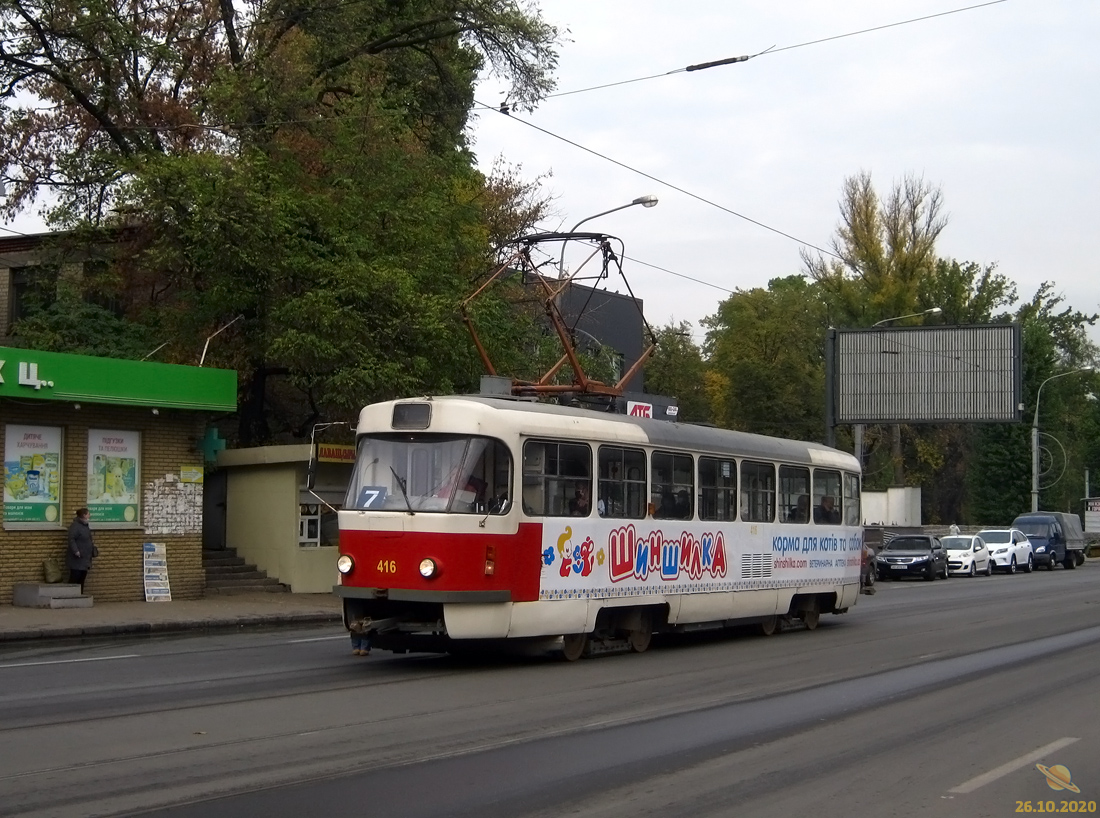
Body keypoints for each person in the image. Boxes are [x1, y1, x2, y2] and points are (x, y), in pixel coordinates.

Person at [66, 507, 97, 592]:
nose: (89, 516)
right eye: (88, 514)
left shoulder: (85, 526)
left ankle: (80, 595)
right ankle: (70, 595)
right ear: (84, 515)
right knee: (75, 577)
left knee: (82, 578)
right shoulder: (75, 526)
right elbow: (71, 539)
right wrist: (76, 551)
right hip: (77, 558)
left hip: (85, 557)